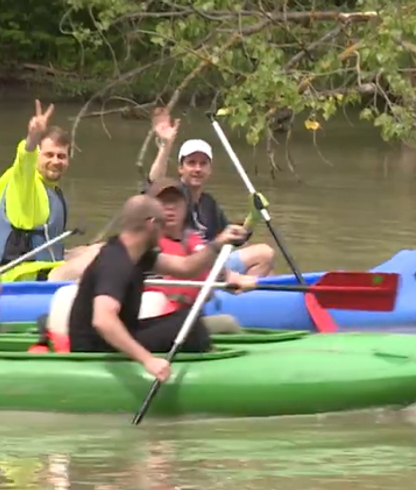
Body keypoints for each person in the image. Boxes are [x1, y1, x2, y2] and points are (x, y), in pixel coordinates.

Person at [67, 194, 256, 382]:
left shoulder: (138, 254)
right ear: (151, 223)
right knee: (187, 326)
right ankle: (216, 373)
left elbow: (186, 267)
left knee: (187, 318)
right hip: (95, 347)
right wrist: (148, 360)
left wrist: (218, 242)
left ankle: (208, 356)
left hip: (118, 333)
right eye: (162, 224)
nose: (164, 231)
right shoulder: (116, 262)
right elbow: (103, 320)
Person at [147, 107, 275, 277]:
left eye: (203, 163)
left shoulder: (209, 204)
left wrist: (252, 219)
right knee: (264, 253)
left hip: (208, 264)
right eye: (191, 163)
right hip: (183, 265)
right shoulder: (172, 194)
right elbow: (155, 180)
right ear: (180, 168)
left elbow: (233, 237)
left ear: (210, 169)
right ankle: (230, 295)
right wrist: (166, 145)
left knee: (268, 271)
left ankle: (236, 297)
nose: (197, 169)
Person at [0, 99, 100, 283]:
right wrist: (33, 138)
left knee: (98, 248)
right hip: (21, 278)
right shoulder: (25, 185)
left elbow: (48, 247)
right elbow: (25, 160)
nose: (56, 161)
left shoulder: (54, 192)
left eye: (61, 156)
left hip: (45, 270)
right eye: (49, 155)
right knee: (100, 254)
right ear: (37, 156)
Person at [143, 176, 247, 333]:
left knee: (229, 323)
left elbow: (212, 268)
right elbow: (187, 267)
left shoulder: (192, 239)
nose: (170, 208)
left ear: (186, 207)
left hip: (186, 317)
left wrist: (231, 278)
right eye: (164, 202)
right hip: (155, 315)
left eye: (175, 202)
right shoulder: (145, 242)